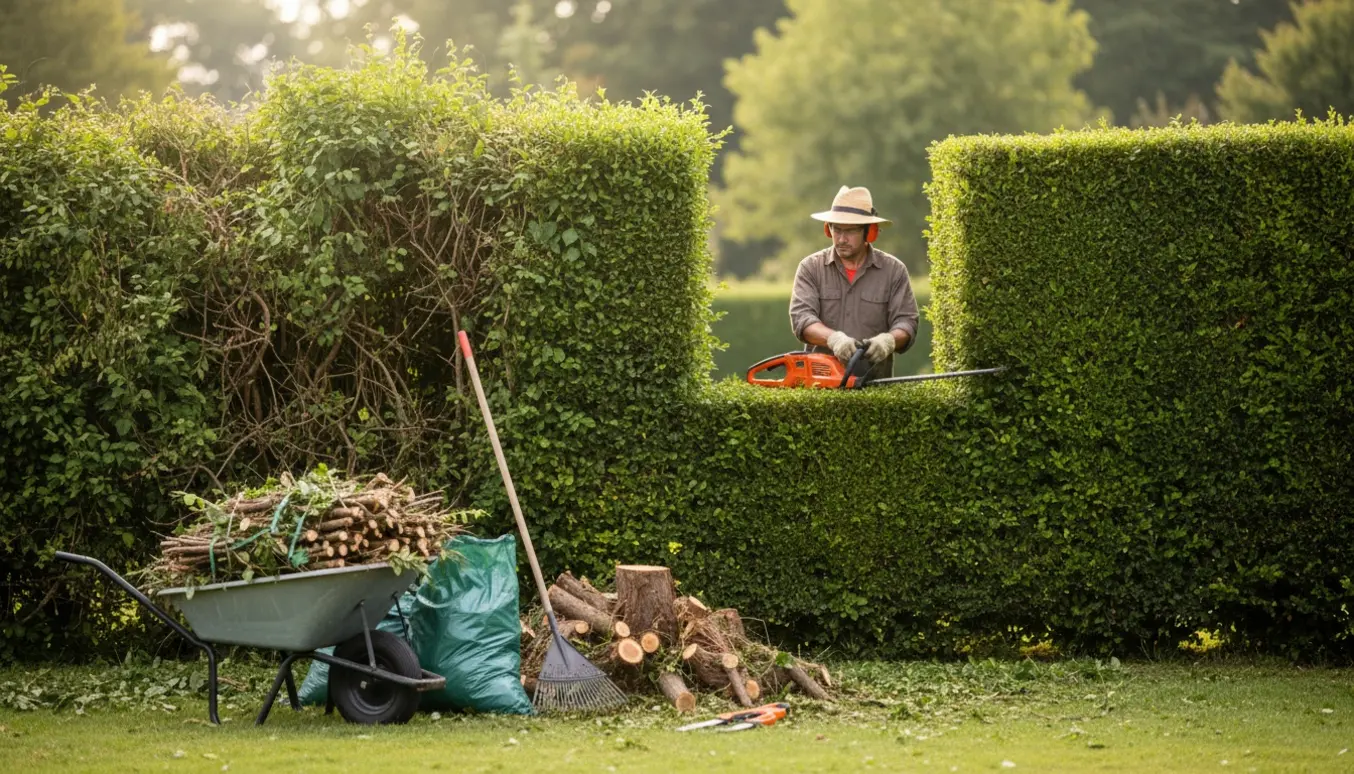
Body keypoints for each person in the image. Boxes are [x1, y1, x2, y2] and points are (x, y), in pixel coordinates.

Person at [789, 185, 919, 381]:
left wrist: (889, 341)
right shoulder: (811, 268)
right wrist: (833, 339)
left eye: (849, 231)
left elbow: (907, 322)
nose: (841, 239)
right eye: (836, 229)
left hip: (874, 384)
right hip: (821, 386)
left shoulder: (893, 271)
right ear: (828, 229)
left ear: (869, 231)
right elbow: (802, 319)